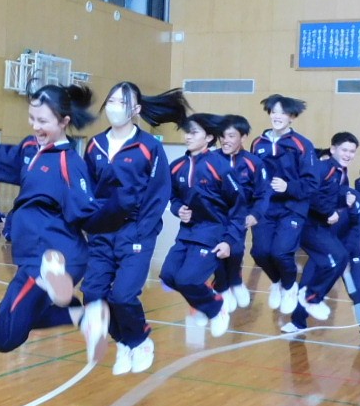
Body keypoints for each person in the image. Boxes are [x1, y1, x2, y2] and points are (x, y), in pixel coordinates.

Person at [0, 83, 118, 362]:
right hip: (33, 258)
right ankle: (83, 316)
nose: (35, 126)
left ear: (64, 122)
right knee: (4, 330)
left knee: (6, 333)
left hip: (54, 252)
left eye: (43, 121)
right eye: (32, 118)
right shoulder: (29, 150)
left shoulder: (69, 163)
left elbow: (86, 211)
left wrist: (117, 208)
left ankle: (55, 278)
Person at [83, 81, 184, 375]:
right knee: (93, 296)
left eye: (122, 102)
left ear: (136, 109)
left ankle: (140, 341)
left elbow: (159, 191)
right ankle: (125, 342)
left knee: (123, 296)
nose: (114, 107)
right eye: (111, 101)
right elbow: (86, 190)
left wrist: (143, 230)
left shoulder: (149, 146)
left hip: (135, 232)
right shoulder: (95, 145)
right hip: (102, 233)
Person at [288, 136, 360, 346]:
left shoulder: (351, 195)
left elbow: (355, 230)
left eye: (351, 151)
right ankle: (297, 322)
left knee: (359, 290)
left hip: (348, 251)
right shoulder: (318, 198)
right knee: (307, 284)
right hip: (326, 249)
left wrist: (344, 256)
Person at [160, 113, 241, 340]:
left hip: (212, 233)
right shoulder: (176, 167)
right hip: (187, 232)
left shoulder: (220, 166)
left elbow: (239, 206)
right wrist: (178, 209)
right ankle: (207, 304)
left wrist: (229, 241)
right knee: (168, 276)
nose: (188, 136)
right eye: (187, 132)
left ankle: (216, 308)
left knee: (188, 280)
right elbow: (172, 197)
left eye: (194, 132)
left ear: (209, 137)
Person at [250, 94, 318, 314]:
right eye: (274, 112)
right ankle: (277, 282)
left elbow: (312, 183)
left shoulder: (302, 145)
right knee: (260, 253)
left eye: (283, 112)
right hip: (265, 209)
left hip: (292, 208)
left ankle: (289, 287)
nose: (277, 116)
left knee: (280, 253)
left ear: (292, 117)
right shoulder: (257, 143)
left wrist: (288, 186)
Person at [212, 115, 260, 309]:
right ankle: (222, 288)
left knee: (235, 250)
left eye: (231, 136)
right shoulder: (211, 160)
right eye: (222, 136)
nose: (225, 140)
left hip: (239, 216)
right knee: (216, 252)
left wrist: (255, 214)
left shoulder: (253, 162)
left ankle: (235, 281)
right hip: (214, 217)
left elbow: (263, 193)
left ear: (243, 137)